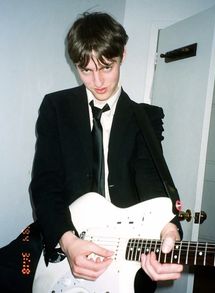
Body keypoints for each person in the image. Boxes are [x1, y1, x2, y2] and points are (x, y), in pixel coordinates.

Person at [1, 11, 183, 293]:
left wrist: (167, 230)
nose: (97, 80)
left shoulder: (146, 118)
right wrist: (67, 240)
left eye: (106, 67)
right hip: (62, 235)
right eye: (85, 70)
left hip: (125, 247)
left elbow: (153, 185)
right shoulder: (56, 107)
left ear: (122, 54)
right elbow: (45, 183)